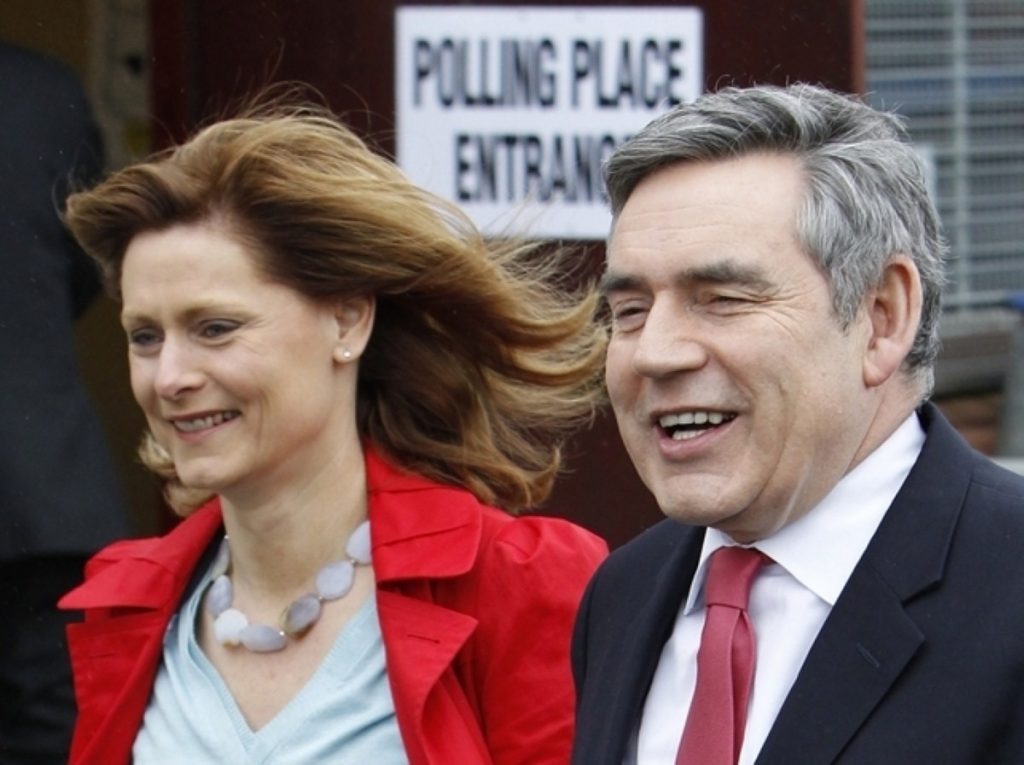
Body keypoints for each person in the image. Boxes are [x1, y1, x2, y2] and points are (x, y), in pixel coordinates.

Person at [58, 98, 608, 764]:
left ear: (347, 322)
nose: (169, 375)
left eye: (215, 328)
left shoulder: (518, 583)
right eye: (145, 336)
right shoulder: (127, 604)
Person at [571, 83, 1024, 765]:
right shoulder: (623, 594)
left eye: (721, 299)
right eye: (630, 310)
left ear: (882, 317)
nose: (655, 352)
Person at [0, 43, 130, 764]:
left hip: (41, 478)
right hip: (41, 478)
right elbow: (92, 260)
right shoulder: (43, 89)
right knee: (54, 721)